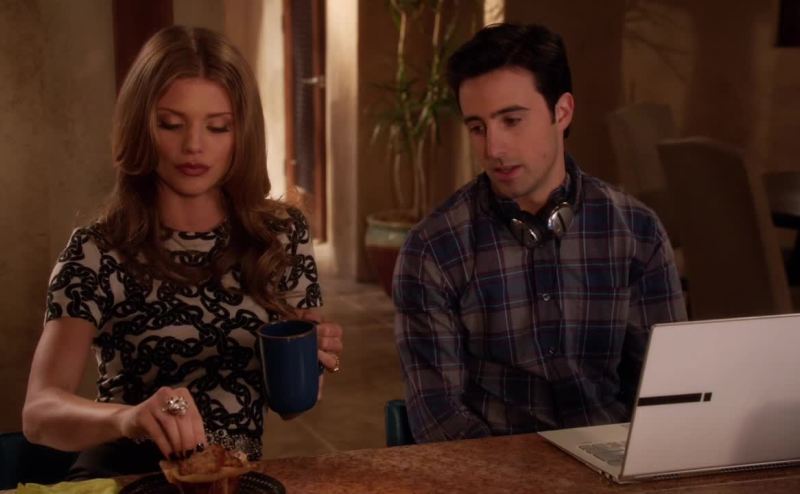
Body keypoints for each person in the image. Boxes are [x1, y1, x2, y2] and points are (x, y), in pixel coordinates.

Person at [22, 25, 343, 477]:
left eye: (217, 127)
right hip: (126, 475)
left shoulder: (281, 236)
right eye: (171, 124)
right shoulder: (97, 251)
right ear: (141, 127)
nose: (194, 145)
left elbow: (291, 408)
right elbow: (39, 415)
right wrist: (129, 418)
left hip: (226, 477)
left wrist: (311, 363)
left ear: (242, 132)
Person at [393, 23, 686, 443]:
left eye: (511, 120)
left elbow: (666, 395)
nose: (493, 149)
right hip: (493, 467)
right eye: (477, 127)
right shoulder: (433, 249)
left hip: (611, 461)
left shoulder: (637, 232)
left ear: (561, 112)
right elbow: (440, 420)